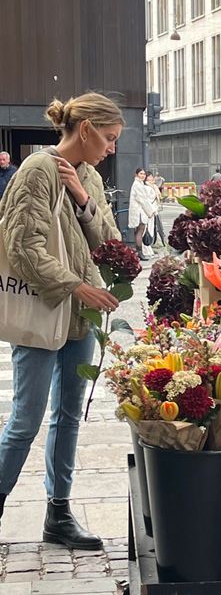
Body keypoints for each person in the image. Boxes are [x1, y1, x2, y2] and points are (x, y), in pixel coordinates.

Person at [0, 92, 123, 549]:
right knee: (25, 421)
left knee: (69, 416)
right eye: (108, 138)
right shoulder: (35, 171)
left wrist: (83, 196)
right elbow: (23, 246)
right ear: (86, 128)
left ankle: (59, 516)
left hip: (79, 319)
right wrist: (76, 286)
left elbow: (112, 242)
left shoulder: (86, 173)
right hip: (45, 310)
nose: (111, 147)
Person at [128, 167, 156, 260]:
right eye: (141, 174)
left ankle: (139, 252)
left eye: (144, 174)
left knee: (138, 232)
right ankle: (140, 253)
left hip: (138, 212)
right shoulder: (138, 185)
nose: (143, 176)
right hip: (139, 212)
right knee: (140, 232)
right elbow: (143, 200)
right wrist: (150, 211)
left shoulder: (138, 184)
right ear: (136, 175)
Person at [145, 171, 166, 248]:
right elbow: (148, 200)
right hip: (151, 211)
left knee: (157, 227)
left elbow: (161, 180)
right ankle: (150, 244)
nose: (152, 177)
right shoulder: (147, 187)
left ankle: (159, 242)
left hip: (154, 210)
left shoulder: (153, 186)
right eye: (150, 176)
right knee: (151, 228)